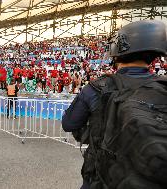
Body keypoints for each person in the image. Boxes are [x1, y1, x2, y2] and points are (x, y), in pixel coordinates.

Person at [62, 20, 167, 189]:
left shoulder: (97, 87)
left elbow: (69, 123)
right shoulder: (163, 87)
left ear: (117, 53)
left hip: (102, 179)